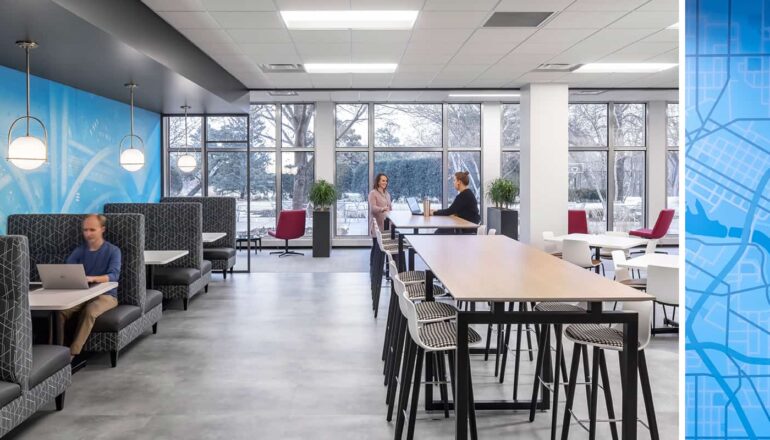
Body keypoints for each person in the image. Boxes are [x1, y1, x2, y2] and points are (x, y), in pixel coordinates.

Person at [60, 214, 121, 359]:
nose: (88, 234)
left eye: (92, 230)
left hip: (106, 295)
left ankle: (73, 353)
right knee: (60, 312)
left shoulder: (113, 251)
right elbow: (68, 269)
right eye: (85, 230)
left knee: (90, 311)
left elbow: (113, 276)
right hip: (81, 293)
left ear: (102, 229)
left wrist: (93, 278)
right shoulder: (79, 251)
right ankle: (55, 350)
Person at [368, 173, 392, 265]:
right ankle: (374, 269)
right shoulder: (373, 193)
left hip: (387, 226)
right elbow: (373, 208)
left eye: (386, 181)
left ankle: (378, 268)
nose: (385, 182)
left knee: (382, 249)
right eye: (383, 180)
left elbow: (390, 208)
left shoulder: (387, 194)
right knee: (376, 248)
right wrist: (382, 209)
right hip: (377, 226)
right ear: (378, 181)